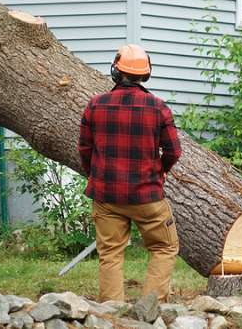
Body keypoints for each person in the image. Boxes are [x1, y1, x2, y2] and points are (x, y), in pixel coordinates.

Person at [78, 44, 182, 303]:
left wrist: (96, 175)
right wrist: (161, 171)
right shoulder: (158, 108)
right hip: (147, 196)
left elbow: (84, 149)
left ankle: (110, 313)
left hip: (106, 196)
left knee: (110, 254)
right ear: (145, 74)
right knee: (164, 247)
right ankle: (151, 308)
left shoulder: (95, 105)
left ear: (116, 70)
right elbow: (173, 151)